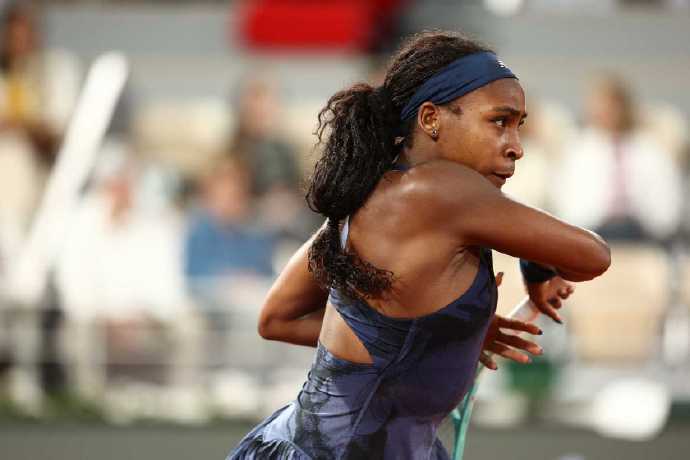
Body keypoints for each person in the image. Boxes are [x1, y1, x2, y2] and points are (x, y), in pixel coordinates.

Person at [227, 31, 610, 459]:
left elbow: (276, 319)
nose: (516, 147)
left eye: (518, 125)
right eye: (499, 121)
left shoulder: (370, 191)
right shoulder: (443, 190)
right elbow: (592, 256)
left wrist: (437, 338)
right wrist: (536, 267)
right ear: (431, 119)